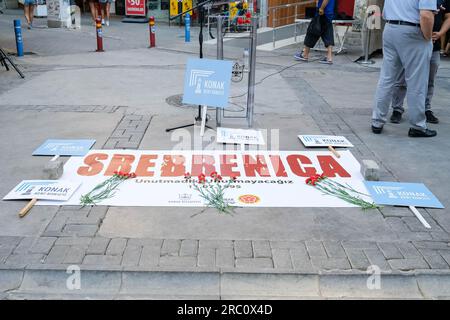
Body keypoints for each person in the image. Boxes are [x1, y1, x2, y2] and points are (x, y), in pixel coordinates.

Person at [371, 0, 437, 138]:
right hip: (412, 30)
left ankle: (377, 121)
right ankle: (418, 125)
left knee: (386, 78)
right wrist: (428, 37)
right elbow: (426, 15)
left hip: (391, 27)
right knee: (417, 81)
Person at [389, 0, 450, 125]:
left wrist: (440, 33)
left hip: (434, 45)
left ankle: (426, 109)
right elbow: (424, 15)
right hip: (414, 41)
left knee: (429, 80)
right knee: (401, 78)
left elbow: (448, 17)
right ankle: (397, 108)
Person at [294, 0, 336, 64]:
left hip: (322, 13)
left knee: (312, 32)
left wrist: (321, 8)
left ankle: (305, 54)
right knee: (328, 34)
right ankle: (329, 57)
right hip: (329, 14)